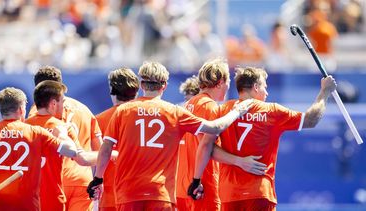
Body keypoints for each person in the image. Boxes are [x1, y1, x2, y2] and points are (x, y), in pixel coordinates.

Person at [87, 61, 252, 210]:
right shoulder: (175, 112)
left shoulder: (123, 111)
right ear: (164, 86)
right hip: (161, 193)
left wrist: (98, 179)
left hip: (129, 193)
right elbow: (215, 128)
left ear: (142, 84)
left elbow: (106, 149)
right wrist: (236, 112)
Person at [189, 67, 337, 210]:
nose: (266, 93)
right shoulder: (271, 111)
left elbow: (207, 147)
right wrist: (324, 92)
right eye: (265, 87)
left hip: (229, 195)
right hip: (259, 193)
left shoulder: (223, 110)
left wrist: (237, 161)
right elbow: (311, 120)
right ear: (255, 87)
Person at [176, 59, 267, 211]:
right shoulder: (209, 107)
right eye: (228, 81)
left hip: (183, 186)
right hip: (203, 187)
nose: (228, 86)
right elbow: (207, 147)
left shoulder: (188, 105)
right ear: (219, 83)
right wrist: (240, 161)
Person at [0, 87, 78, 211]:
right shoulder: (36, 132)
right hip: (28, 206)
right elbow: (72, 151)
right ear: (21, 109)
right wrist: (63, 134)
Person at [29, 65, 103, 211]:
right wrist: (100, 178)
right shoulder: (84, 109)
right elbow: (99, 149)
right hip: (81, 182)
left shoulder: (35, 114)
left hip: (51, 184)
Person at [95, 67, 139, 211]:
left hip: (110, 194)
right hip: (140, 192)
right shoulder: (146, 117)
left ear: (112, 90)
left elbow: (97, 157)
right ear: (136, 91)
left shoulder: (99, 120)